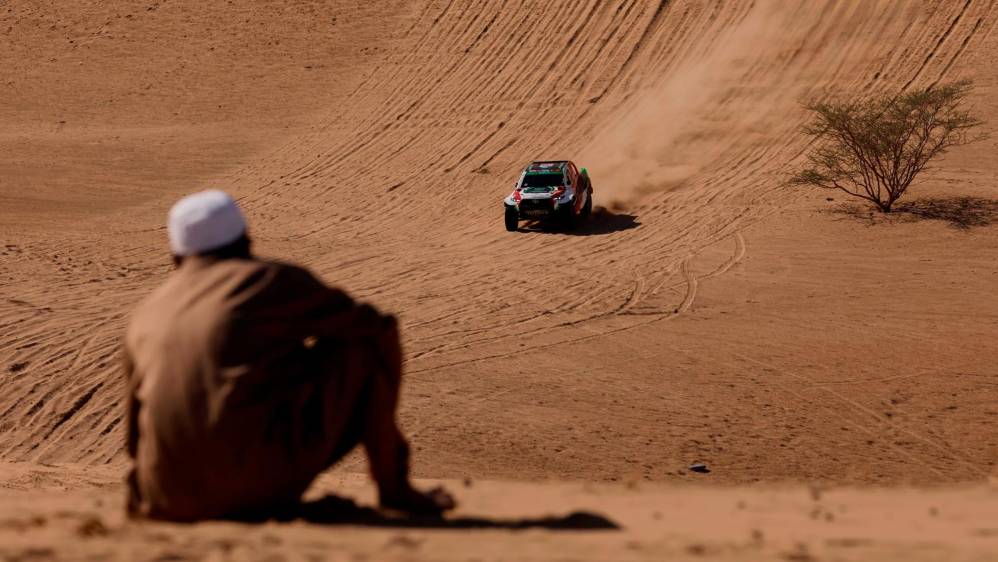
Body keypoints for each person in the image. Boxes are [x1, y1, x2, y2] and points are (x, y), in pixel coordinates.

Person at [123, 190, 454, 521]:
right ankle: (394, 489)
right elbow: (372, 326)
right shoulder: (267, 280)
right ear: (245, 241)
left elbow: (135, 432)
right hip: (252, 488)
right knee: (364, 342)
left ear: (176, 257)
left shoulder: (147, 311)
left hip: (162, 498)